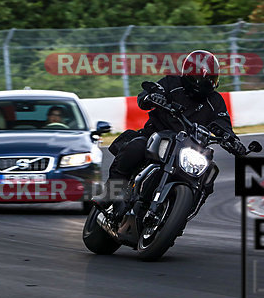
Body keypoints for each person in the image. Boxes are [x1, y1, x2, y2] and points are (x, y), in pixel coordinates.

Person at [93, 50, 247, 218]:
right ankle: (110, 194)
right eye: (206, 79)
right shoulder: (172, 83)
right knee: (135, 148)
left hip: (191, 148)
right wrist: (152, 96)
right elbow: (145, 96)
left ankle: (182, 214)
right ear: (191, 76)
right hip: (157, 136)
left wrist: (232, 141)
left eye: (213, 79)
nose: (210, 83)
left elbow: (223, 123)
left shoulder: (215, 101)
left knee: (207, 173)